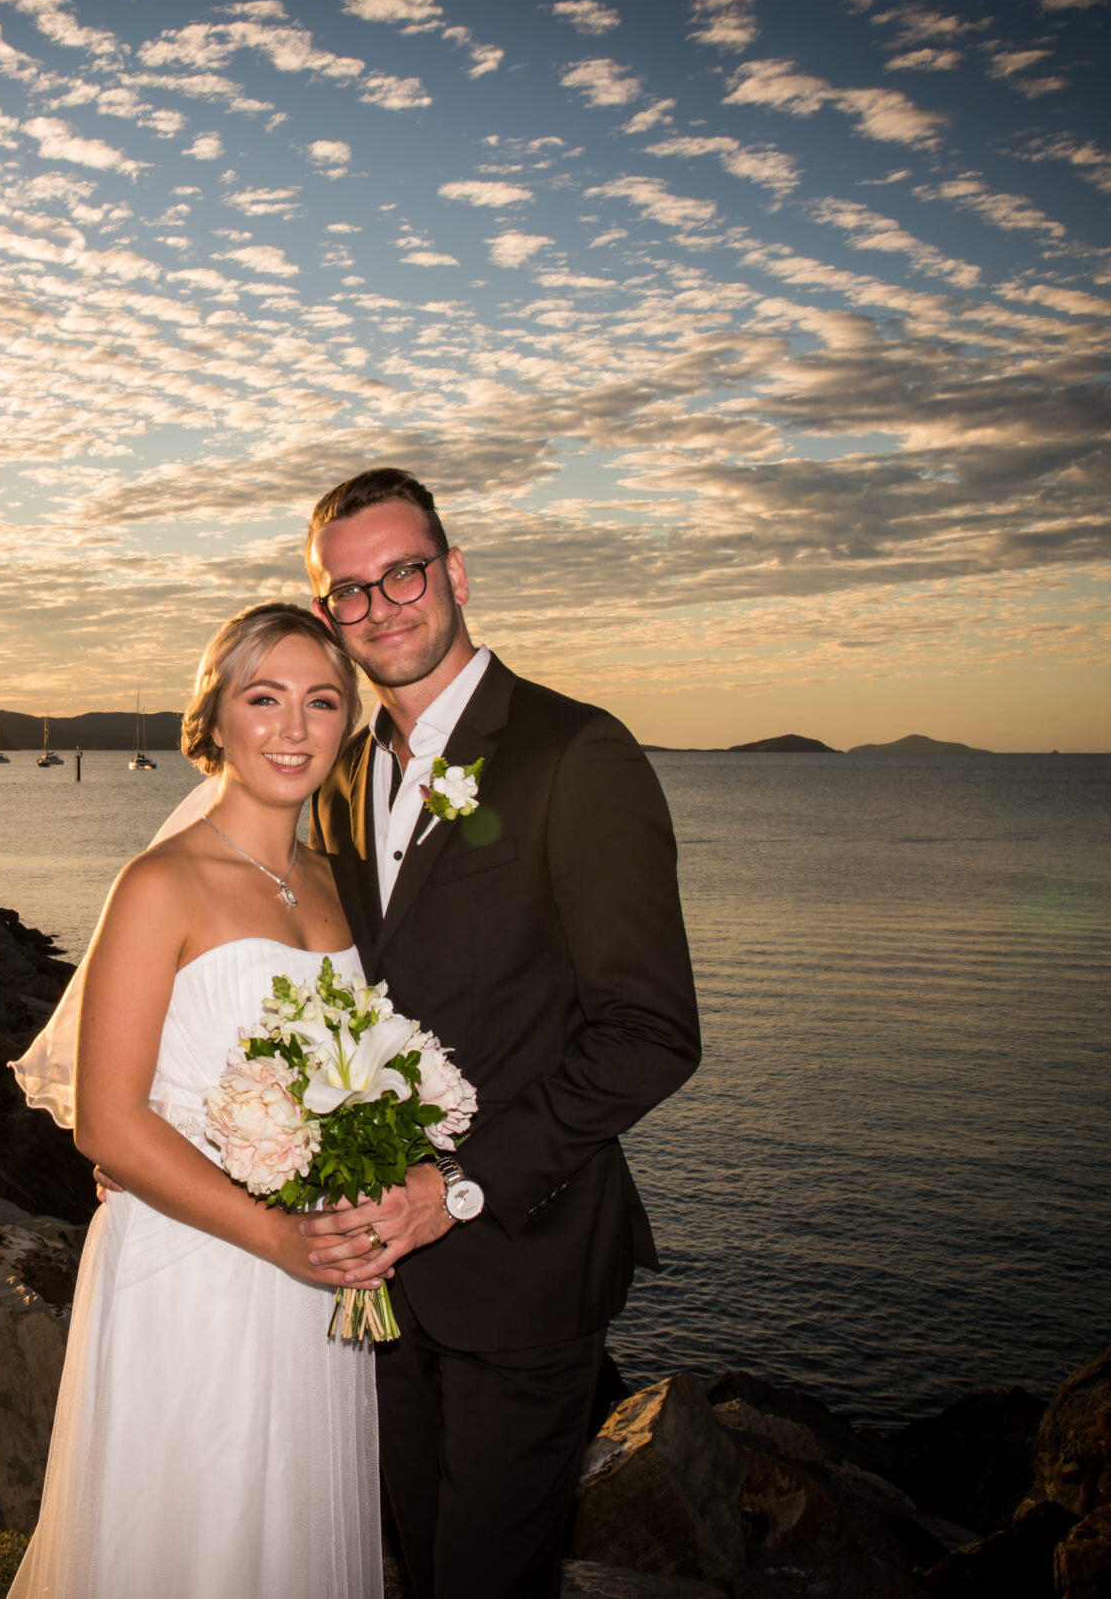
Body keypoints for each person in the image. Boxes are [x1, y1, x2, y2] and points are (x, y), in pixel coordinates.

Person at [299, 467, 702, 1599]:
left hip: (522, 1263)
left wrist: (456, 1187)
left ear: (455, 573)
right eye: (349, 592)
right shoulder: (339, 774)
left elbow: (651, 1032)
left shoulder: (577, 753)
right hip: (375, 1282)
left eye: (402, 573)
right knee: (418, 1561)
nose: (379, 607)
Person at [8, 602, 388, 1599]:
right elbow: (108, 1120)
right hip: (196, 1262)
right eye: (263, 697)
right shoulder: (159, 884)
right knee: (187, 1532)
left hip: (316, 1269)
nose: (294, 726)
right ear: (214, 719)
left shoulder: (331, 881)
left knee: (289, 1534)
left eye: (321, 700)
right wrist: (274, 1235)